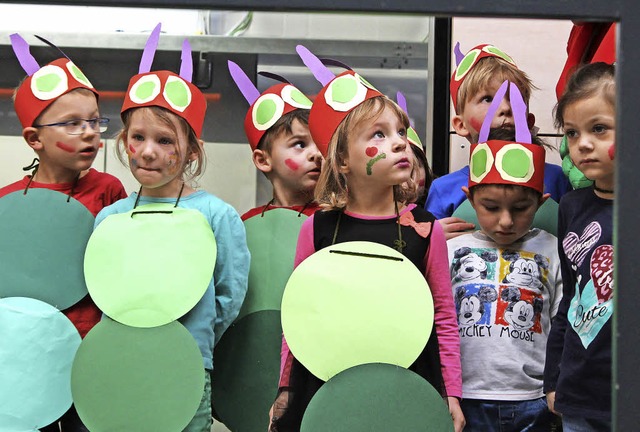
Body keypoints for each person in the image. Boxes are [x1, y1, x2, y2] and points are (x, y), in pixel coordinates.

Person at [268, 45, 464, 432]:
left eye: (401, 133)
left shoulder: (426, 230)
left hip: (405, 384)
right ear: (342, 159)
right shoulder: (317, 229)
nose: (399, 143)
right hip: (326, 383)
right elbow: (299, 315)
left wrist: (450, 395)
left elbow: (443, 317)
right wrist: (285, 388)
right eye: (379, 134)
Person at [93, 24, 249, 431]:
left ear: (192, 151)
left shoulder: (216, 215)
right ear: (124, 141)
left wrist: (191, 338)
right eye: (138, 137)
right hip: (124, 359)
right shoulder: (111, 218)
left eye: (165, 140)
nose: (148, 151)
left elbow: (229, 295)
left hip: (186, 365)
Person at [0, 33, 127, 432]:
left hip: (89, 350)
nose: (90, 132)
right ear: (34, 139)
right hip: (26, 352)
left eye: (93, 121)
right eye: (72, 124)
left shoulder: (109, 190)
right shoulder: (9, 202)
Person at [447, 81, 562, 431]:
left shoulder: (553, 250)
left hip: (535, 401)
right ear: (470, 198)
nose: (506, 221)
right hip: (466, 400)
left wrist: (556, 386)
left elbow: (562, 328)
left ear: (540, 203)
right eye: (491, 207)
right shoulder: (450, 249)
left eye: (521, 208)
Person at [426, 43, 571, 239]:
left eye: (515, 98)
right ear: (460, 125)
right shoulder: (444, 189)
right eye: (488, 99)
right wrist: (432, 237)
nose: (505, 108)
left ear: (529, 122)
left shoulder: (557, 179)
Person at [544, 62, 615, 431]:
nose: (583, 144)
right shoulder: (571, 206)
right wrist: (553, 378)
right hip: (578, 386)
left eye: (599, 129)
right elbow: (570, 299)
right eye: (572, 133)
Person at [227, 61, 322, 220]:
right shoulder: (249, 223)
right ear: (263, 160)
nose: (317, 154)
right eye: (300, 144)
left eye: (320, 143)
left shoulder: (336, 218)